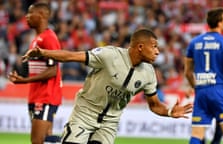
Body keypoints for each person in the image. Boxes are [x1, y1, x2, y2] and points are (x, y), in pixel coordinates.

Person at [22, 28, 193, 144]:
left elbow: (155, 105)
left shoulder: (148, 73)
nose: (158, 52)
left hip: (109, 123)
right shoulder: (109, 55)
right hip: (85, 114)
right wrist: (43, 52)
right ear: (140, 47)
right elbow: (71, 56)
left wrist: (170, 112)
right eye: (154, 46)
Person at [8, 2, 62, 144]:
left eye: (31, 13)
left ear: (42, 15)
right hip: (36, 95)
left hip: (46, 96)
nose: (27, 17)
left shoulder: (49, 38)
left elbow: (53, 70)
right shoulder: (36, 40)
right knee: (46, 139)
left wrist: (24, 81)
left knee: (37, 141)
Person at [184, 7, 223, 144]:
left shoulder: (194, 42)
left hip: (201, 91)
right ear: (219, 23)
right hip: (220, 91)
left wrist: (195, 87)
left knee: (196, 136)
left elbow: (187, 72)